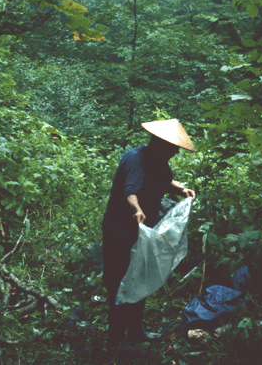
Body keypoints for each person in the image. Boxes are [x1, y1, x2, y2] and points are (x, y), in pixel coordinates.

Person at [102, 119, 196, 350]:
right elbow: (130, 190)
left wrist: (181, 190)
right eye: (173, 147)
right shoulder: (136, 160)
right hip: (120, 230)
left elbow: (166, 181)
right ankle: (114, 340)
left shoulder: (159, 161)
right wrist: (137, 209)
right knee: (120, 280)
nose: (176, 151)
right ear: (160, 143)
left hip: (142, 232)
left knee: (141, 276)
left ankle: (135, 331)